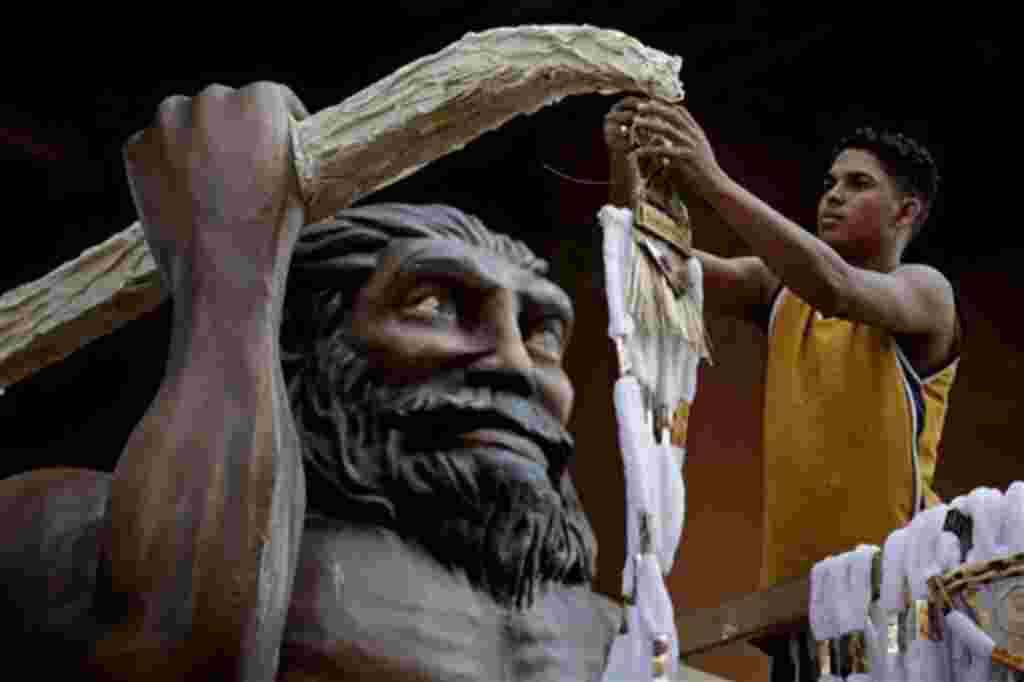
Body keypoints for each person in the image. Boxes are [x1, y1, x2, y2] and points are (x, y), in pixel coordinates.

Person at [0, 83, 621, 681]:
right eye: (433, 304)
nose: (514, 363)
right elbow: (168, 658)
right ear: (300, 345)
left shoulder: (608, 633)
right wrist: (234, 264)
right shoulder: (60, 526)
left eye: (541, 333)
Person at [604, 98, 960, 679]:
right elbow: (650, 263)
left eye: (858, 184)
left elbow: (837, 286)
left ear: (906, 213)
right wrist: (629, 166)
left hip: (897, 600)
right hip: (801, 608)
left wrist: (710, 178)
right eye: (829, 183)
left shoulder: (924, 291)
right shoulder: (778, 290)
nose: (833, 195)